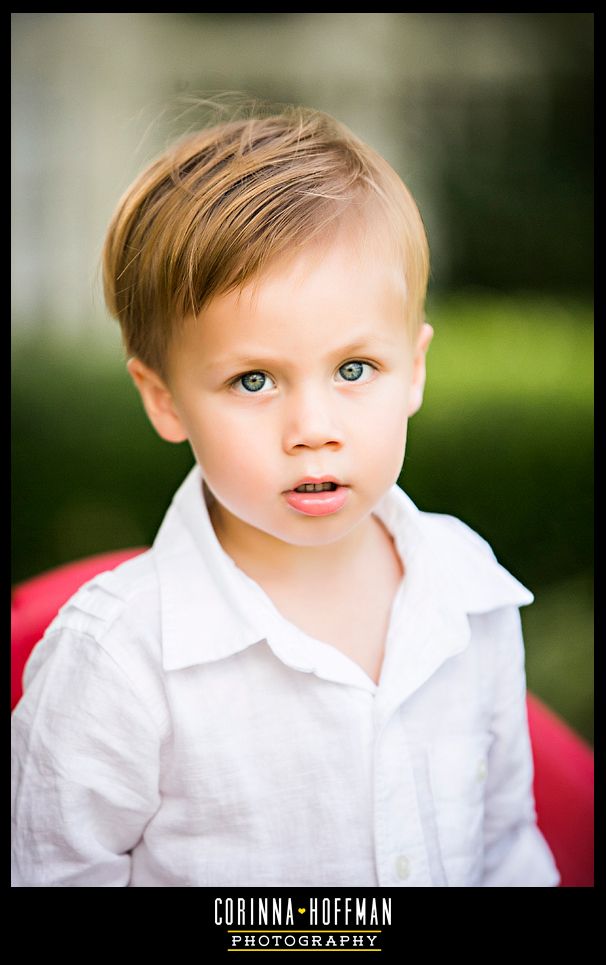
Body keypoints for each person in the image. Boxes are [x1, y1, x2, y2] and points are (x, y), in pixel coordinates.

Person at [11, 104, 560, 887]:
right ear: (163, 398)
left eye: (355, 369)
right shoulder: (121, 657)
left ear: (415, 369)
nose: (313, 427)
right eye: (254, 379)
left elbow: (507, 845)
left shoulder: (467, 589)